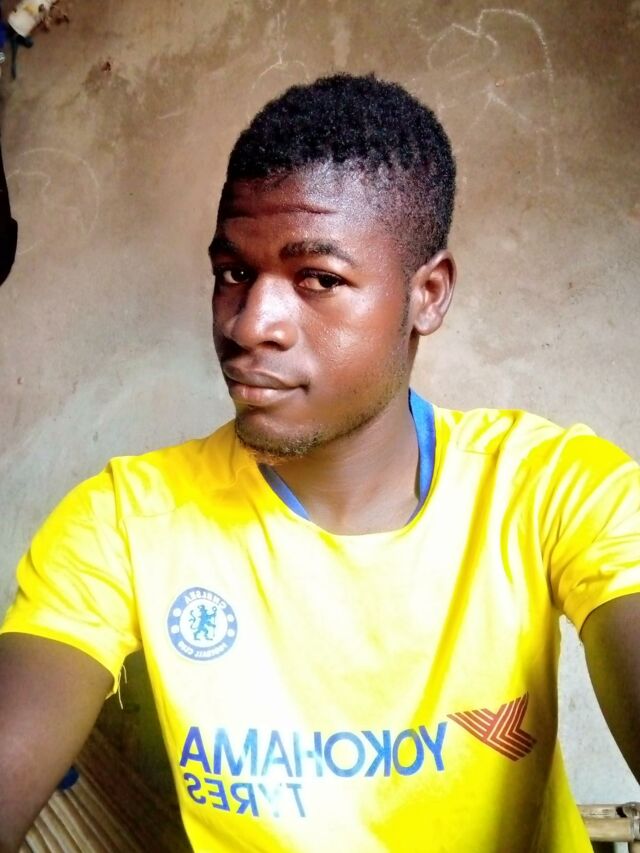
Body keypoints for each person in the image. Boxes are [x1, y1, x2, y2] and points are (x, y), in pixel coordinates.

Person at [0, 73, 638, 853]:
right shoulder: (126, 522)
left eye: (319, 280)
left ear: (428, 294)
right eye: (234, 273)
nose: (251, 324)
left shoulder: (548, 489)